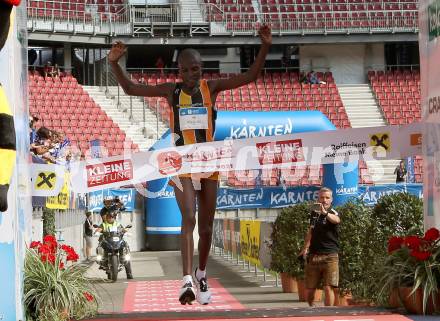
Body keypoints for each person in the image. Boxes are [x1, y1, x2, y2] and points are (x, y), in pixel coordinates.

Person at [108, 24, 272, 305]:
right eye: (185, 70)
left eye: (195, 69)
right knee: (190, 218)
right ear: (179, 72)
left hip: (209, 162)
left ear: (201, 69)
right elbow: (131, 89)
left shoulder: (212, 88)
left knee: (206, 227)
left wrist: (265, 45)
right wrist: (114, 63)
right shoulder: (171, 92)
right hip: (181, 162)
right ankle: (186, 279)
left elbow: (251, 76)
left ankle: (201, 272)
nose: (190, 74)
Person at [299, 187, 340, 307]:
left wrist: (325, 214)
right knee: (310, 289)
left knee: (328, 287)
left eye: (327, 197)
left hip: (331, 256)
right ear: (318, 199)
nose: (324, 200)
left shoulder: (333, 212)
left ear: (331, 199)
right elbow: (310, 232)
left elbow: (336, 220)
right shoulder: (313, 214)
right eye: (322, 197)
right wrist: (305, 248)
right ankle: (311, 309)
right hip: (314, 255)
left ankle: (329, 315)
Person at [95, 213, 133, 279]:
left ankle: (129, 273)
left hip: (117, 240)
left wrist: (127, 232)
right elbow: (99, 229)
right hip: (108, 241)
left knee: (126, 251)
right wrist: (97, 232)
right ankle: (102, 259)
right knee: (100, 246)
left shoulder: (117, 224)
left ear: (114, 218)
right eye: (109, 217)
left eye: (112, 217)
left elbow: (123, 230)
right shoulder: (104, 224)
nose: (110, 218)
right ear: (106, 218)